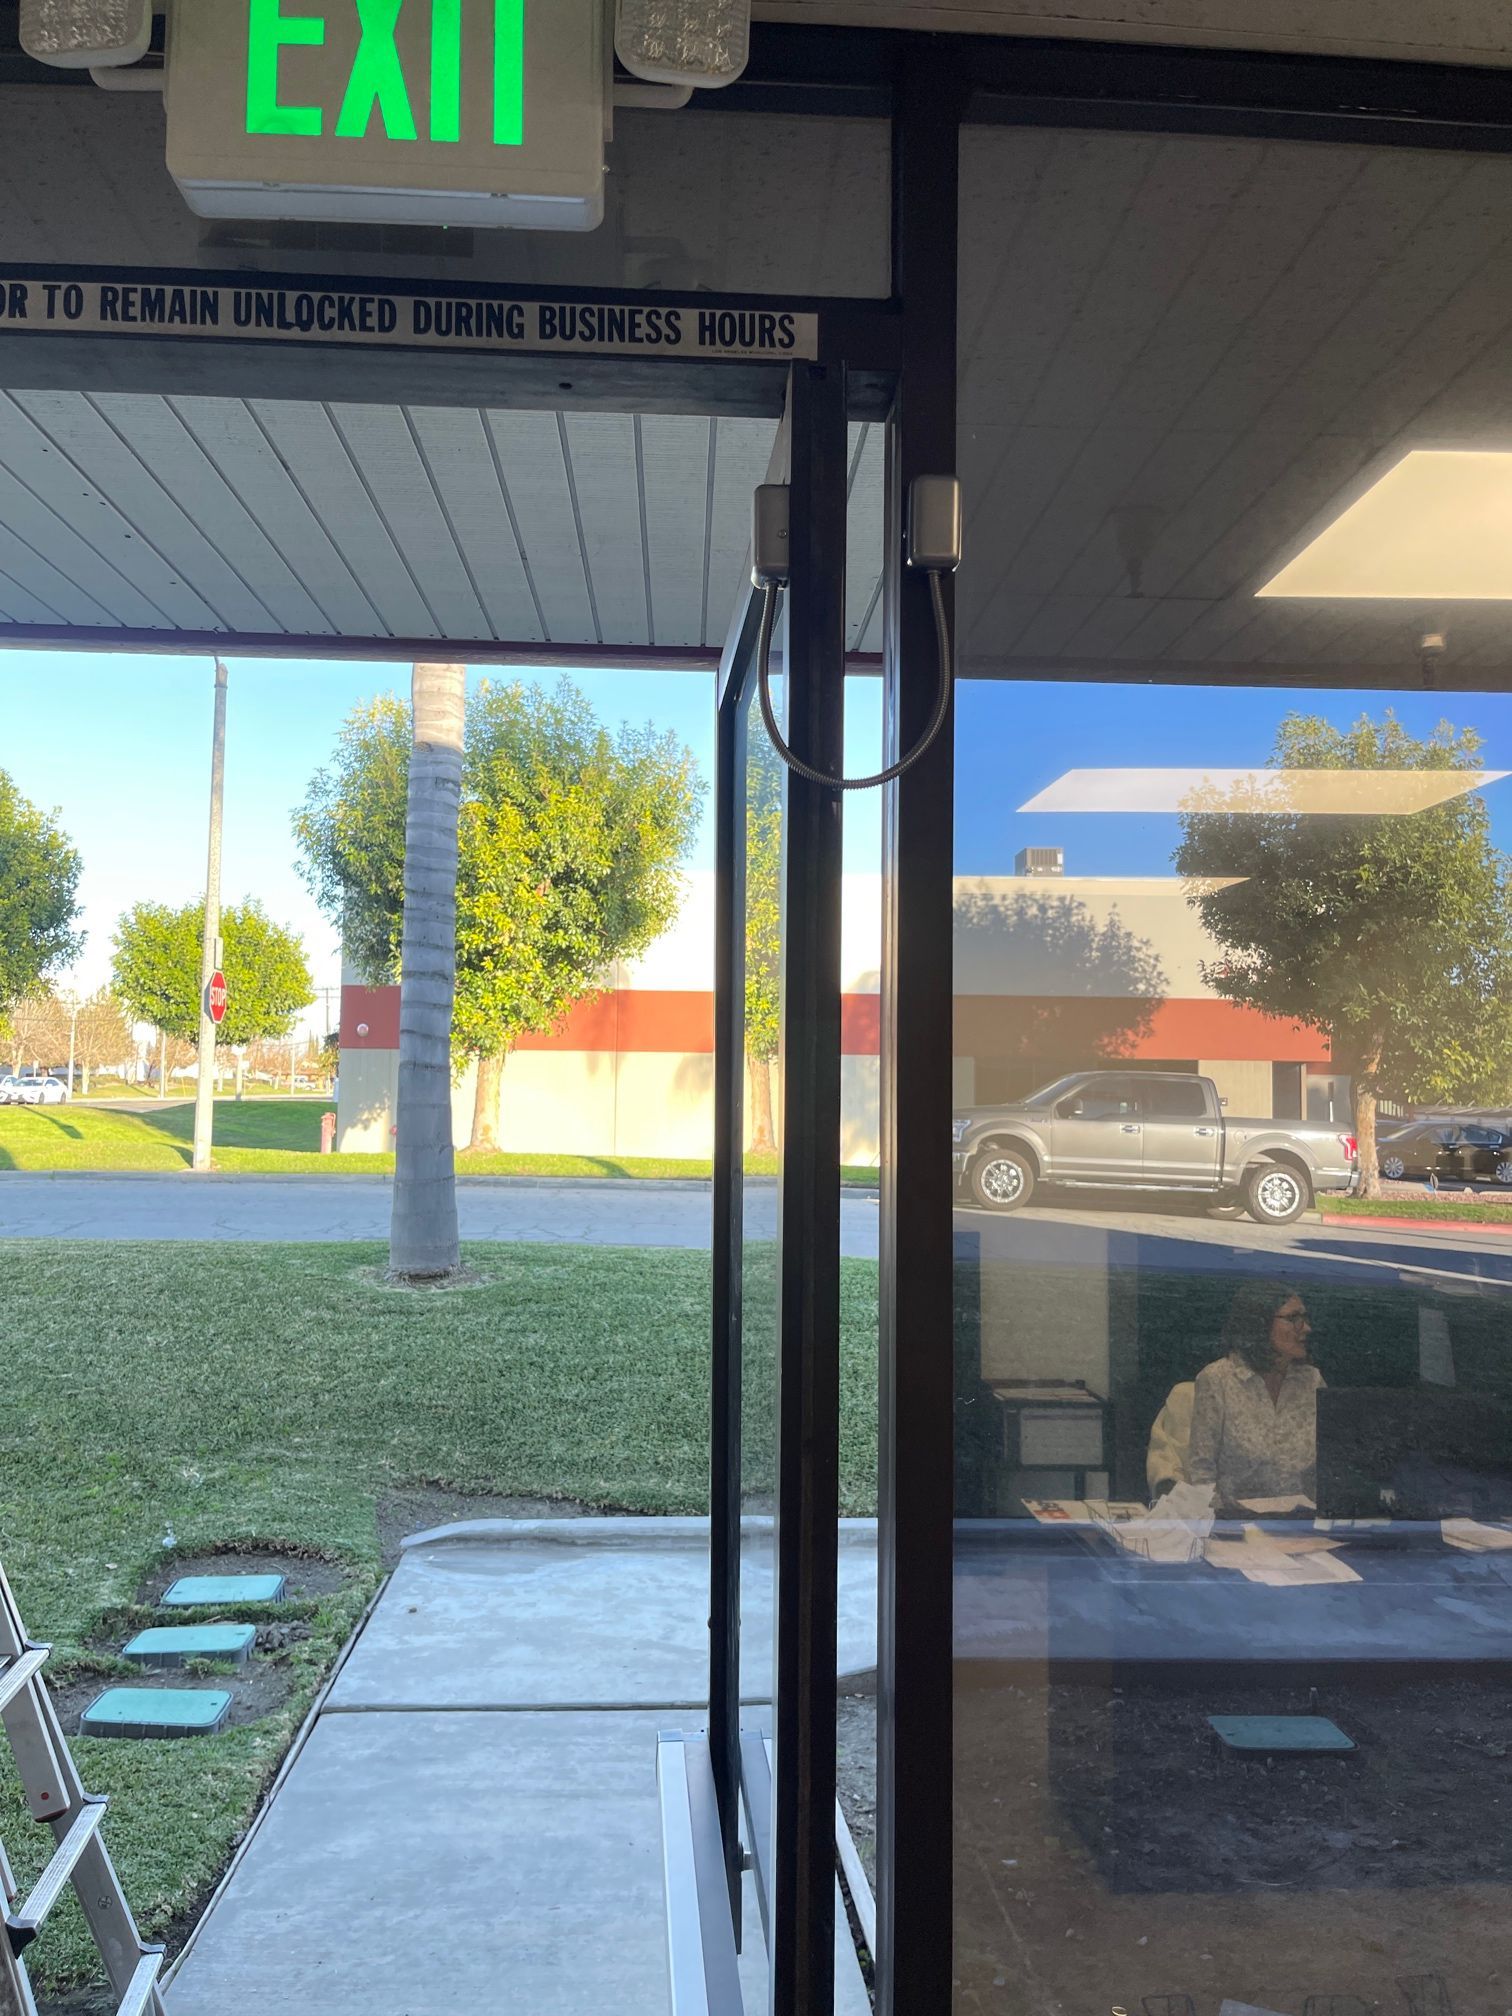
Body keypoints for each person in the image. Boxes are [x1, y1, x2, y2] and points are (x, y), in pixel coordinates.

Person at [1187, 1280, 1324, 1508]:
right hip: (1237, 1528)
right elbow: (1201, 1474)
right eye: (1293, 1318)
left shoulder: (1312, 1381)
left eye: (1305, 1318)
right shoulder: (1217, 1379)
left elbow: (1328, 1470)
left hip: (1303, 1527)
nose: (1306, 1328)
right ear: (1258, 1324)